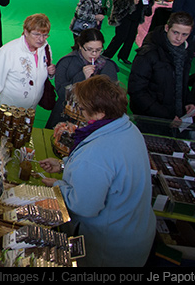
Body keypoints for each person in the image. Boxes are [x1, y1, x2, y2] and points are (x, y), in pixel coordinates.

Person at [39, 75, 155, 268]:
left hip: (108, 248)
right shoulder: (128, 128)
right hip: (135, 232)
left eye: (83, 109)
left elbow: (84, 205)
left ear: (100, 112)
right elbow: (109, 172)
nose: (81, 113)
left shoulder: (98, 151)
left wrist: (59, 185)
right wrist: (64, 165)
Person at [128, 11, 195, 122]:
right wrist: (165, 116)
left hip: (176, 115)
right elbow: (136, 91)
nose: (179, 38)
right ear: (166, 28)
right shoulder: (148, 53)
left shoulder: (185, 52)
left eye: (185, 35)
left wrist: (188, 101)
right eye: (175, 32)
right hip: (152, 119)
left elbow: (180, 82)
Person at [45, 28, 118, 129]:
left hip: (94, 119)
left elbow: (112, 97)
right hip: (66, 116)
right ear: (80, 46)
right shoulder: (66, 62)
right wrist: (81, 77)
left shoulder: (108, 66)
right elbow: (62, 93)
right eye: (89, 49)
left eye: (98, 50)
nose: (94, 54)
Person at [0, 13, 56, 109]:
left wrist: (50, 73)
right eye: (36, 34)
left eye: (45, 35)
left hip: (31, 110)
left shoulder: (45, 48)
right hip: (7, 111)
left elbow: (42, 70)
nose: (41, 39)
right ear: (26, 32)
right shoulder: (7, 51)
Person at [103, 0, 153, 64]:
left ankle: (123, 56)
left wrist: (150, 0)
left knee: (130, 38)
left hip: (136, 16)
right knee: (120, 37)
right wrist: (131, 2)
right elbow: (116, 1)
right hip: (123, 16)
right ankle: (106, 55)